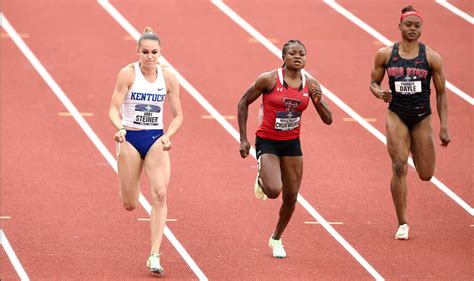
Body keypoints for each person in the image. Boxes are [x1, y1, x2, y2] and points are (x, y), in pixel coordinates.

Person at [238, 40, 332, 258]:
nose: (297, 57)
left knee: (291, 197)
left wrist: (319, 101)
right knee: (273, 191)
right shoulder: (269, 79)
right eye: (292, 53)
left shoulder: (311, 84)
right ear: (284, 57)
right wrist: (243, 139)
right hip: (268, 141)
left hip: (291, 143)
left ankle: (277, 238)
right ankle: (262, 179)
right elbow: (243, 102)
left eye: (302, 53)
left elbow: (328, 119)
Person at [370, 6, 450, 240]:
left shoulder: (431, 57)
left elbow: (442, 93)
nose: (412, 29)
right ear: (400, 27)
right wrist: (379, 93)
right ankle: (402, 222)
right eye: (408, 25)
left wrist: (444, 126)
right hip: (396, 114)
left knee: (425, 174)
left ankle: (416, 145)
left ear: (422, 29)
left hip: (421, 116)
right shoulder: (386, 55)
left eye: (417, 26)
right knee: (398, 166)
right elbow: (373, 82)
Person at [108, 27, 183, 274]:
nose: (150, 57)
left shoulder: (169, 77)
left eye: (154, 52)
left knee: (160, 193)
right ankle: (130, 183)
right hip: (129, 137)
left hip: (155, 139)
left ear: (161, 53)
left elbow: (178, 116)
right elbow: (112, 109)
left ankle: (154, 255)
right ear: (138, 52)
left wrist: (168, 137)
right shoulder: (127, 74)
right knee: (130, 203)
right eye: (145, 52)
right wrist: (119, 128)